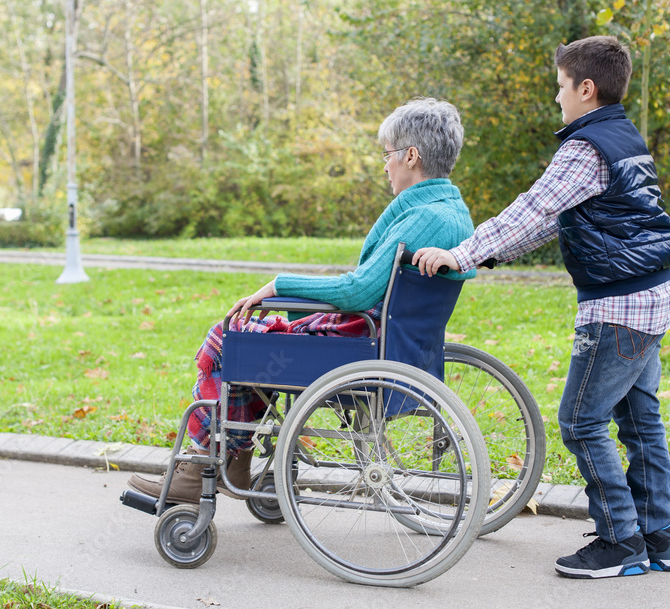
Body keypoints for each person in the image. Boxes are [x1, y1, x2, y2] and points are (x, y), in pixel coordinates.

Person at [413, 35, 670, 579]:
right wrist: (487, 254)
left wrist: (461, 253)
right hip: (652, 296)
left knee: (581, 421)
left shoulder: (586, 148)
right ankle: (658, 538)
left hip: (618, 307)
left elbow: (533, 209)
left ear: (586, 88)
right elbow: (557, 218)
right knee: (640, 421)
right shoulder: (623, 136)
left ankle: (620, 542)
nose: (557, 96)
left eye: (561, 86)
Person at [128, 97, 477, 505]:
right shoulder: (450, 210)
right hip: (389, 339)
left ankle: (206, 464)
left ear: (411, 156)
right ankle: (229, 459)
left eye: (388, 155)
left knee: (230, 337)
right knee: (247, 337)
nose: (385, 166)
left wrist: (279, 286)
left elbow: (358, 291)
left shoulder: (424, 217)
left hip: (361, 344)